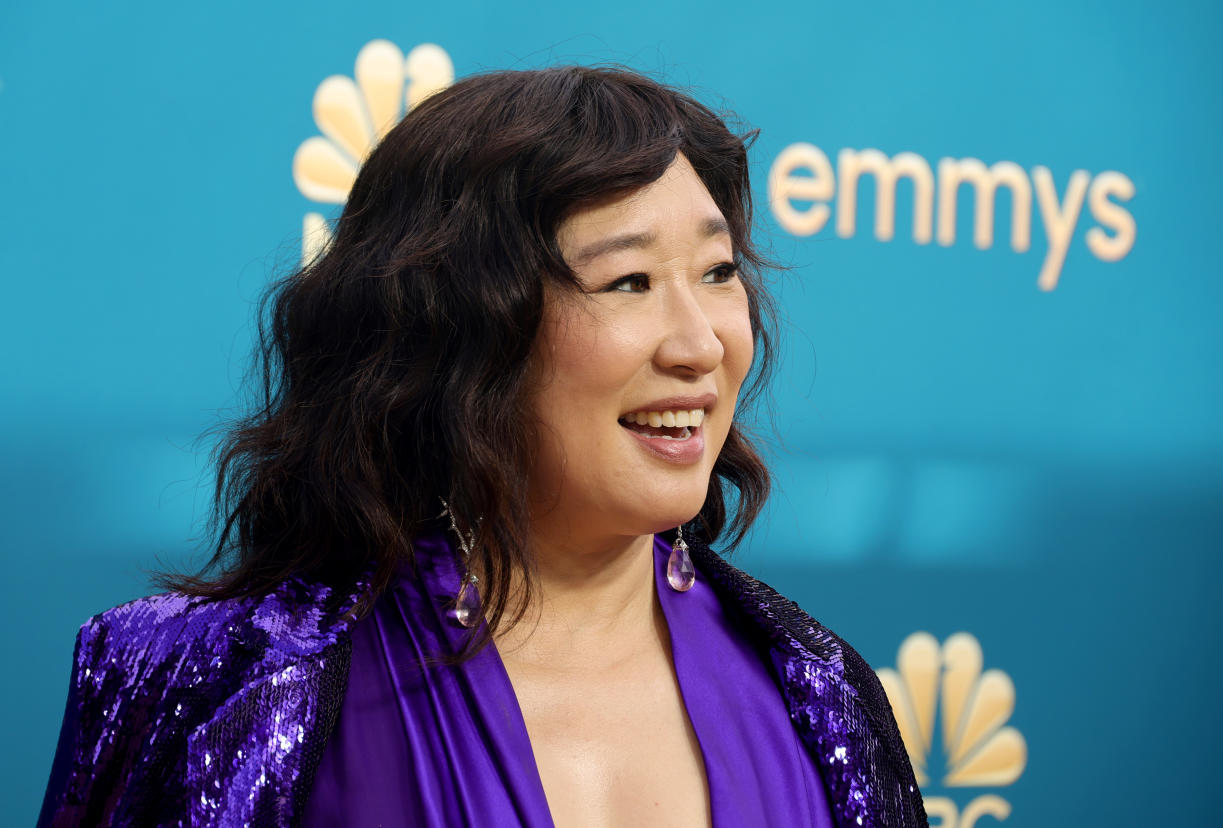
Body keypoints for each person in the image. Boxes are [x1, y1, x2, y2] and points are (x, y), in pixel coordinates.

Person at [38, 66, 926, 827]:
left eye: (718, 272)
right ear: (460, 333)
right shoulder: (221, 687)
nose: (698, 344)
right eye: (628, 281)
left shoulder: (821, 693)